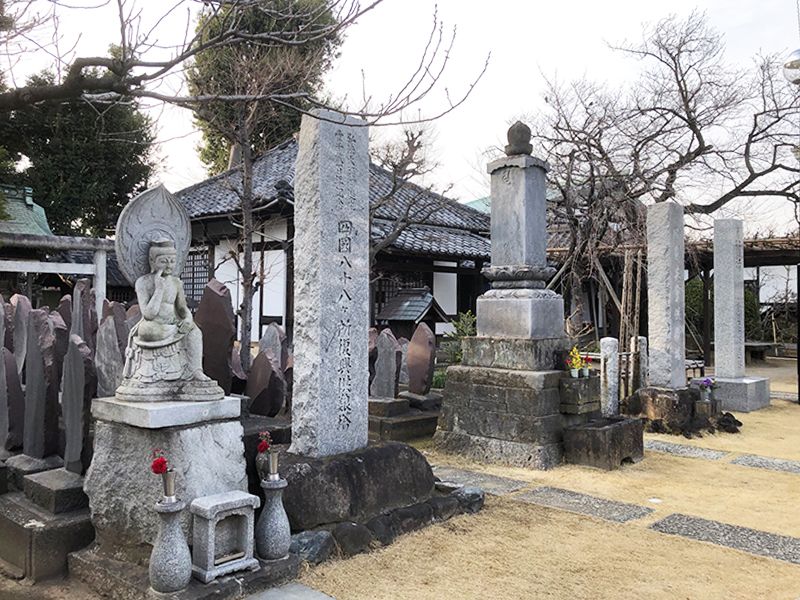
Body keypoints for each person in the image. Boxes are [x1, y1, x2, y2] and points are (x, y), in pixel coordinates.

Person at [128, 239, 209, 382]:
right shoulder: (143, 282)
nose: (169, 265)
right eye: (164, 261)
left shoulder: (176, 282)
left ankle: (196, 370)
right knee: (148, 331)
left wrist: (188, 319)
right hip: (153, 324)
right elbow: (148, 314)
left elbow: (182, 308)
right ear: (152, 261)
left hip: (173, 322)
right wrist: (159, 289)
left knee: (195, 332)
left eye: (172, 261)